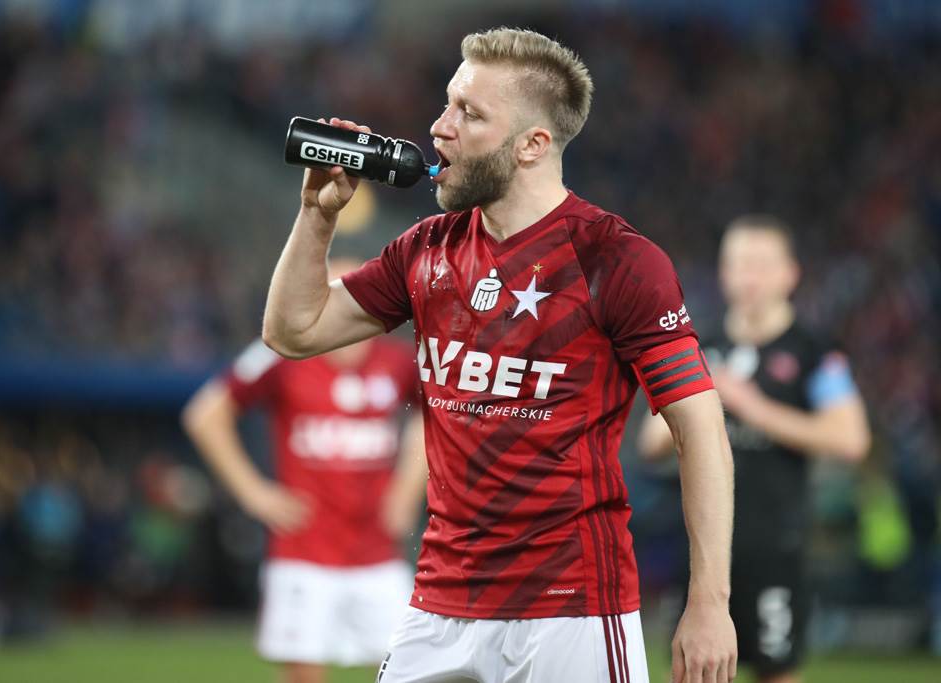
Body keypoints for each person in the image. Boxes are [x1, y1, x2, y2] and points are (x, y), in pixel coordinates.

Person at [263, 28, 737, 683]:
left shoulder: (617, 260)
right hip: (438, 604)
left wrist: (709, 602)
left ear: (532, 144)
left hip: (572, 608)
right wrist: (317, 214)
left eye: (469, 113)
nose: (440, 127)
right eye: (447, 104)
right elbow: (293, 330)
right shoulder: (426, 248)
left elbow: (700, 430)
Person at [639, 215, 871, 683]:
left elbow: (851, 440)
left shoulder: (813, 351)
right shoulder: (699, 346)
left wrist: (753, 407)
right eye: (739, 264)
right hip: (702, 552)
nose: (749, 277)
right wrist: (704, 402)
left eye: (762, 265)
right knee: (692, 671)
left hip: (775, 549)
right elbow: (651, 443)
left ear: (790, 274)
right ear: (723, 272)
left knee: (776, 673)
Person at [182, 258, 427, 683]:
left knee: (412, 669)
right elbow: (205, 415)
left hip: (376, 549)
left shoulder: (399, 361)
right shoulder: (280, 353)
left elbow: (436, 414)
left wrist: (408, 486)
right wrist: (253, 493)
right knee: (303, 675)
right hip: (304, 550)